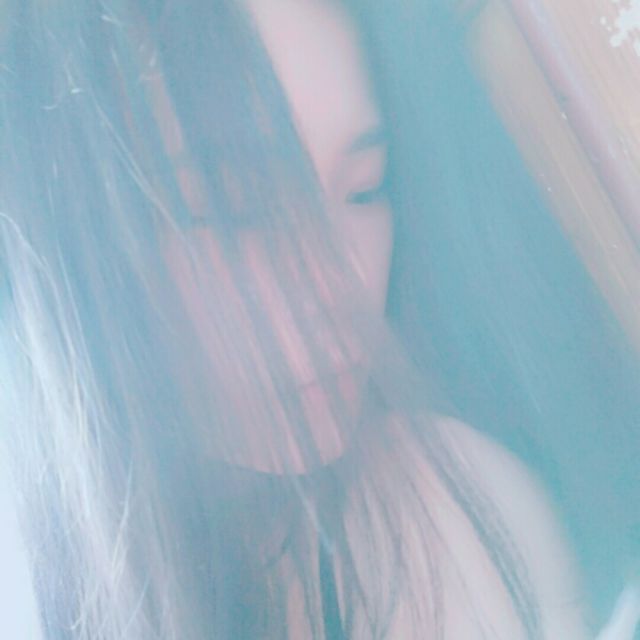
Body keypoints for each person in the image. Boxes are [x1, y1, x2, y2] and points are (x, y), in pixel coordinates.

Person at [0, 0, 639, 638]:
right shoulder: (36, 586)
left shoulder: (444, 515)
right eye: (233, 209)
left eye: (364, 188)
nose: (341, 281)